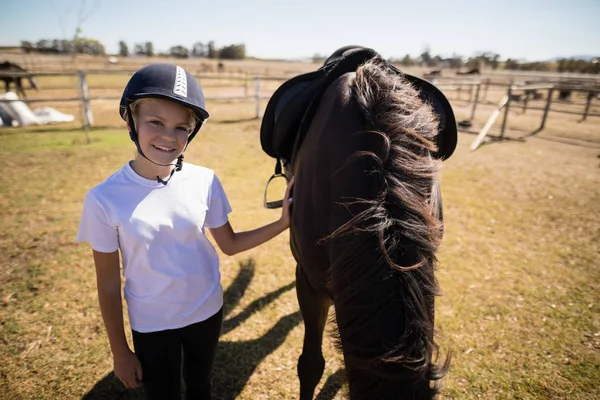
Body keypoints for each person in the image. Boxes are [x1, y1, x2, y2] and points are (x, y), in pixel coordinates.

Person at [76, 63, 293, 400]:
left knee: (199, 385)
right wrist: (120, 351)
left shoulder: (204, 180)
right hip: (151, 323)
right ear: (130, 120)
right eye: (156, 122)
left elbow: (231, 245)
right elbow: (107, 283)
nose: (168, 136)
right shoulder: (103, 199)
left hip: (207, 311)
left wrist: (282, 223)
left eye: (181, 127)